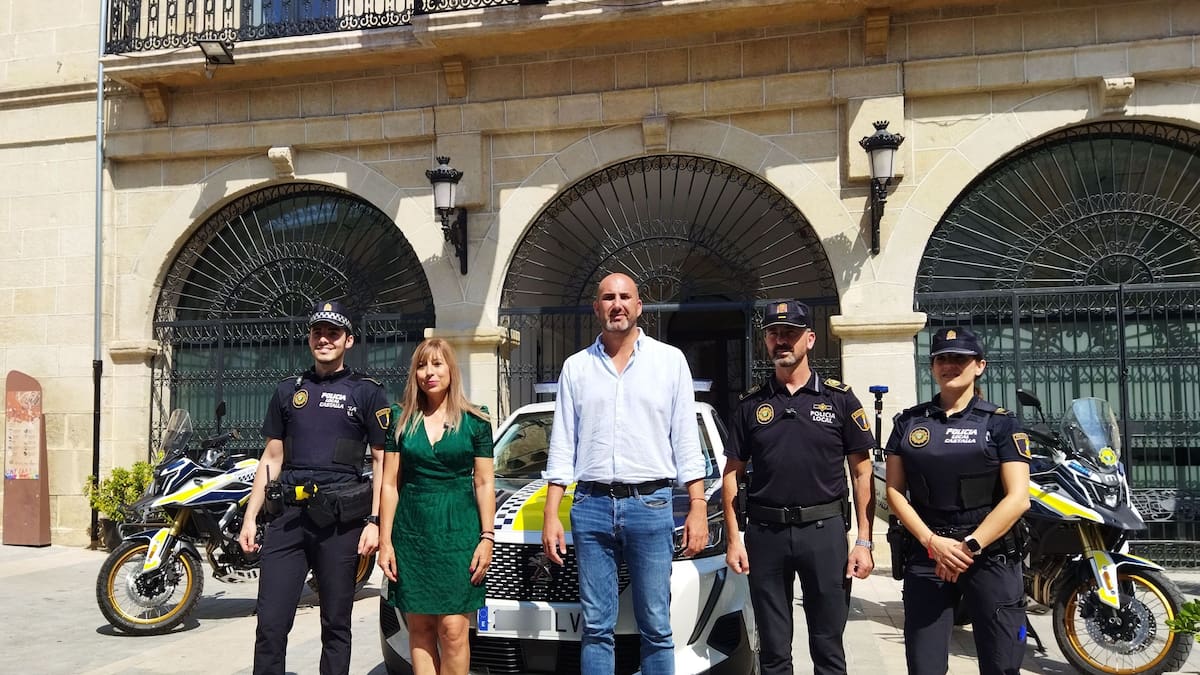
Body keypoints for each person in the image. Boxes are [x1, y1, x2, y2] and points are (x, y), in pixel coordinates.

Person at [541, 272, 709, 675]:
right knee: (596, 627)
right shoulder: (576, 368)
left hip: (651, 506)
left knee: (657, 625)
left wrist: (698, 505)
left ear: (639, 306)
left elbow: (686, 441)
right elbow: (562, 444)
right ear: (596, 308)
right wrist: (551, 513)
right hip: (591, 506)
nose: (616, 304)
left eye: (624, 297)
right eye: (608, 297)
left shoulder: (669, 362)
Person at [721, 299, 877, 675]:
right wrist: (734, 539)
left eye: (790, 333)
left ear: (809, 339)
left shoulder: (839, 399)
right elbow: (732, 474)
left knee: (828, 647)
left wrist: (864, 541)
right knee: (773, 651)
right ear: (765, 341)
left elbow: (862, 473)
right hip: (766, 535)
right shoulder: (750, 405)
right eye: (773, 334)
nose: (781, 340)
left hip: (824, 534)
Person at [238, 300, 390, 675]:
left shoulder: (367, 392)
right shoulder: (288, 390)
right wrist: (250, 516)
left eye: (333, 333)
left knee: (335, 623)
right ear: (309, 339)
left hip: (339, 523)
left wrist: (375, 522)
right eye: (318, 332)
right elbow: (272, 457)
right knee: (270, 623)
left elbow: (382, 462)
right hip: (288, 520)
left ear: (348, 340)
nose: (324, 339)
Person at [884, 327, 1031, 675]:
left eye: (959, 359)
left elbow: (1018, 498)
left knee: (1002, 665)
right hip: (929, 555)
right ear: (932, 367)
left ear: (979, 365)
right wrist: (932, 542)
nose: (949, 365)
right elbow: (894, 492)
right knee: (924, 667)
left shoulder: (1001, 423)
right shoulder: (908, 422)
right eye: (942, 359)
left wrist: (970, 546)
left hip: (989, 554)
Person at [377, 338, 495, 675]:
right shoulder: (400, 419)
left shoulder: (476, 419)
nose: (429, 372)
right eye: (421, 365)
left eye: (437, 364)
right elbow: (389, 484)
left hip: (459, 535)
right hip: (412, 535)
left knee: (454, 630)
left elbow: (484, 482)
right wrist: (385, 542)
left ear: (451, 370)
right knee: (420, 628)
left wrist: (487, 537)